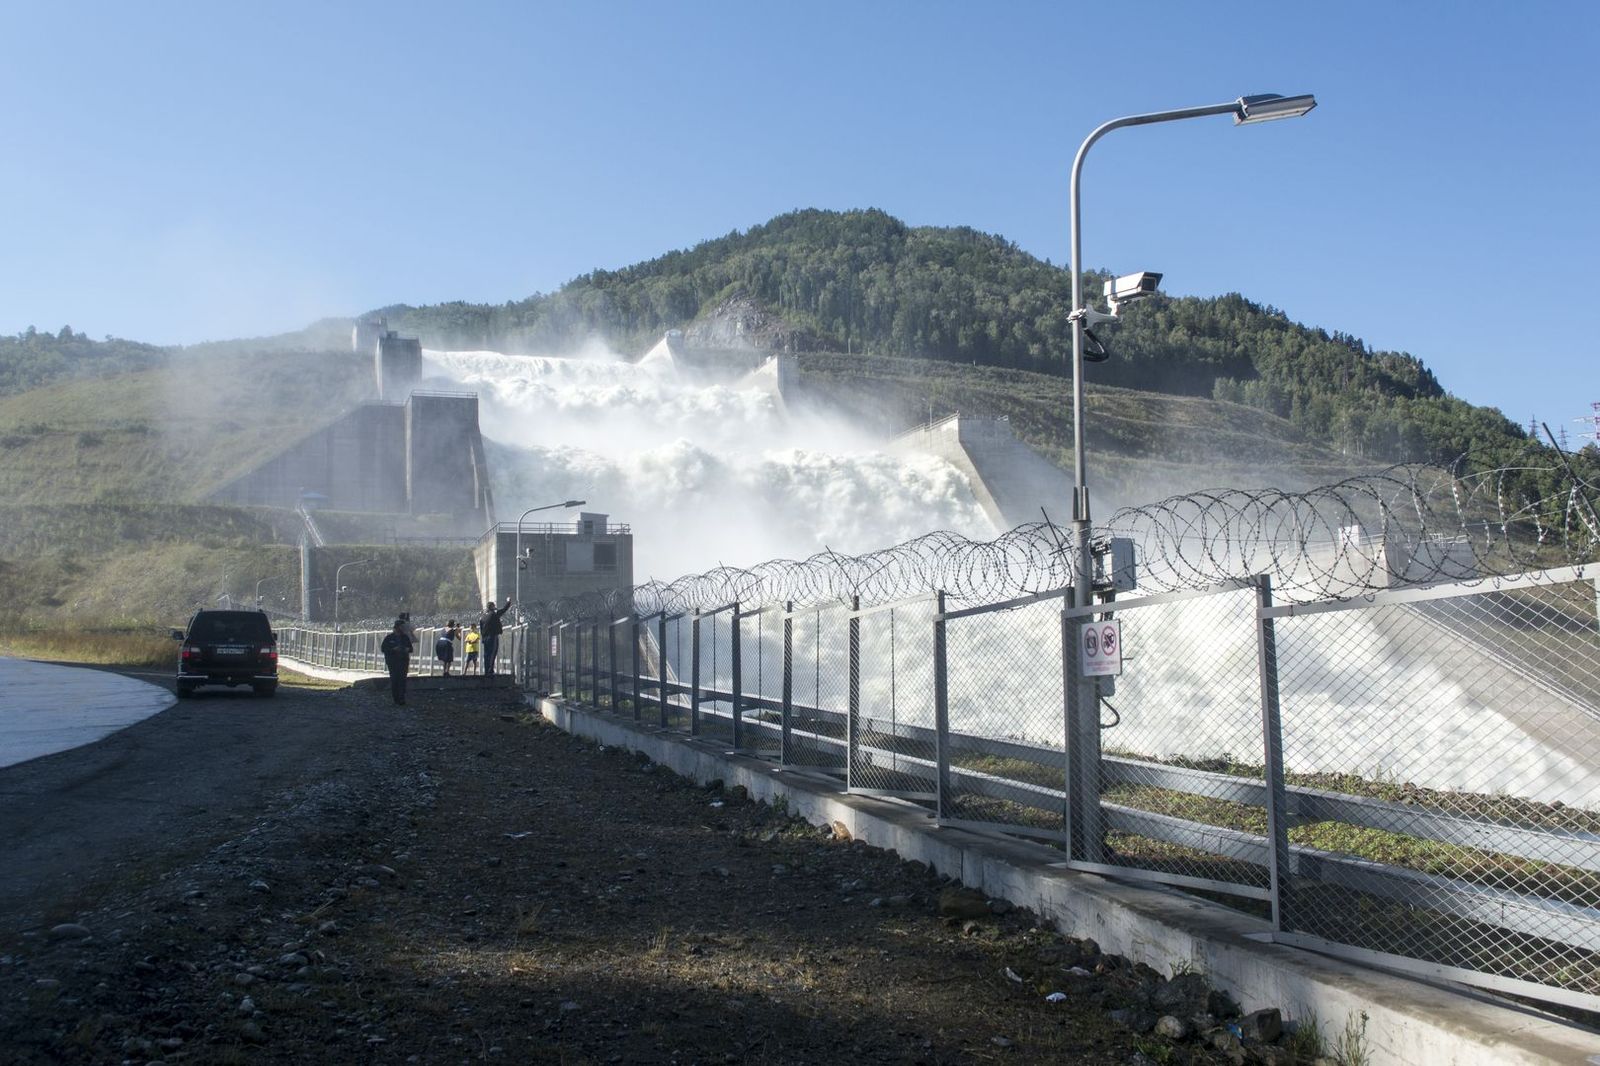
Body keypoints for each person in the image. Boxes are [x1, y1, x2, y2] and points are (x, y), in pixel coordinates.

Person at [380, 619, 413, 705]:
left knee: (402, 680)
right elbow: (383, 649)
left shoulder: (405, 637)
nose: (403, 628)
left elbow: (411, 648)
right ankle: (396, 698)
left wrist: (407, 649)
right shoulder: (389, 638)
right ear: (397, 627)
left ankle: (402, 698)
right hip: (393, 662)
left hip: (403, 661)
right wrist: (393, 649)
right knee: (394, 680)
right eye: (402, 627)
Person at [479, 598, 512, 678]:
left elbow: (481, 628)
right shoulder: (493, 614)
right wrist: (508, 602)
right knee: (492, 653)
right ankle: (490, 671)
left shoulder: (482, 617)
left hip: (485, 638)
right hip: (492, 636)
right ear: (492, 607)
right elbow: (503, 610)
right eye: (494, 606)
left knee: (486, 654)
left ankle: (487, 671)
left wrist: (483, 638)